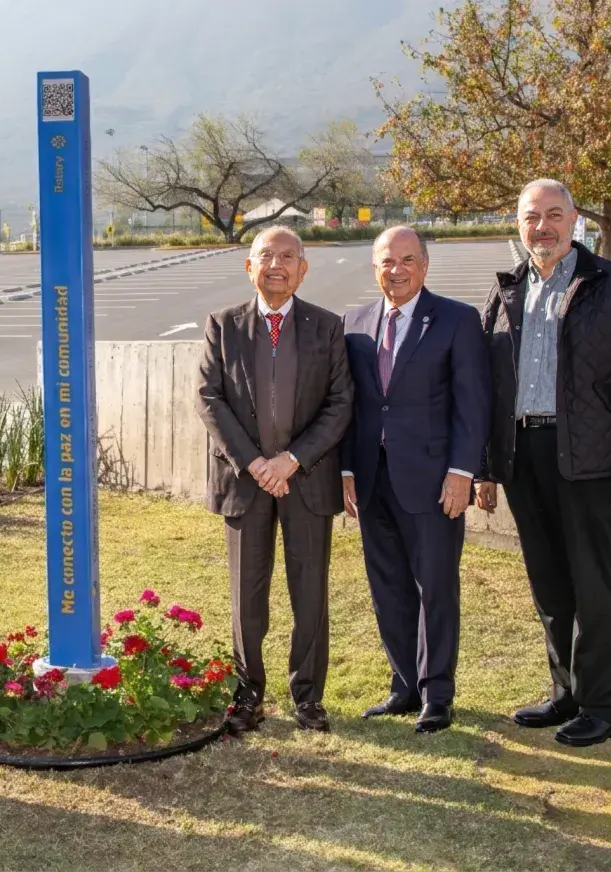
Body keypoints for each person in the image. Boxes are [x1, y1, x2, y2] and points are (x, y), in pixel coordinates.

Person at [476, 178, 611, 747]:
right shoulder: (508, 290)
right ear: (518, 224)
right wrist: (486, 466)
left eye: (554, 215)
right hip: (525, 457)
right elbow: (489, 388)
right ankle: (566, 694)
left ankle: (602, 706)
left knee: (595, 586)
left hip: (595, 462)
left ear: (574, 218)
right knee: (550, 584)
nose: (543, 227)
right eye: (532, 217)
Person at [196, 225, 353, 734]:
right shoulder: (223, 325)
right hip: (246, 483)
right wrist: (255, 463)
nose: (276, 265)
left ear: (303, 270)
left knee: (310, 592)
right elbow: (209, 398)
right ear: (250, 267)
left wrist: (291, 460)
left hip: (306, 480)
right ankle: (247, 696)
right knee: (247, 596)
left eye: (288, 257)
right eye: (266, 255)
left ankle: (308, 696)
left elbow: (340, 403)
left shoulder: (327, 327)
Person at [341, 226, 491, 734]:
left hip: (433, 481)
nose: (397, 270)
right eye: (387, 261)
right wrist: (347, 469)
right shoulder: (355, 324)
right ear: (375, 268)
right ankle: (403, 686)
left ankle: (437, 695)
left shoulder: (457, 319)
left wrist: (462, 472)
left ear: (424, 266)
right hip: (372, 479)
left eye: (408, 260)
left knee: (436, 588)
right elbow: (351, 406)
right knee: (388, 587)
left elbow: (473, 403)